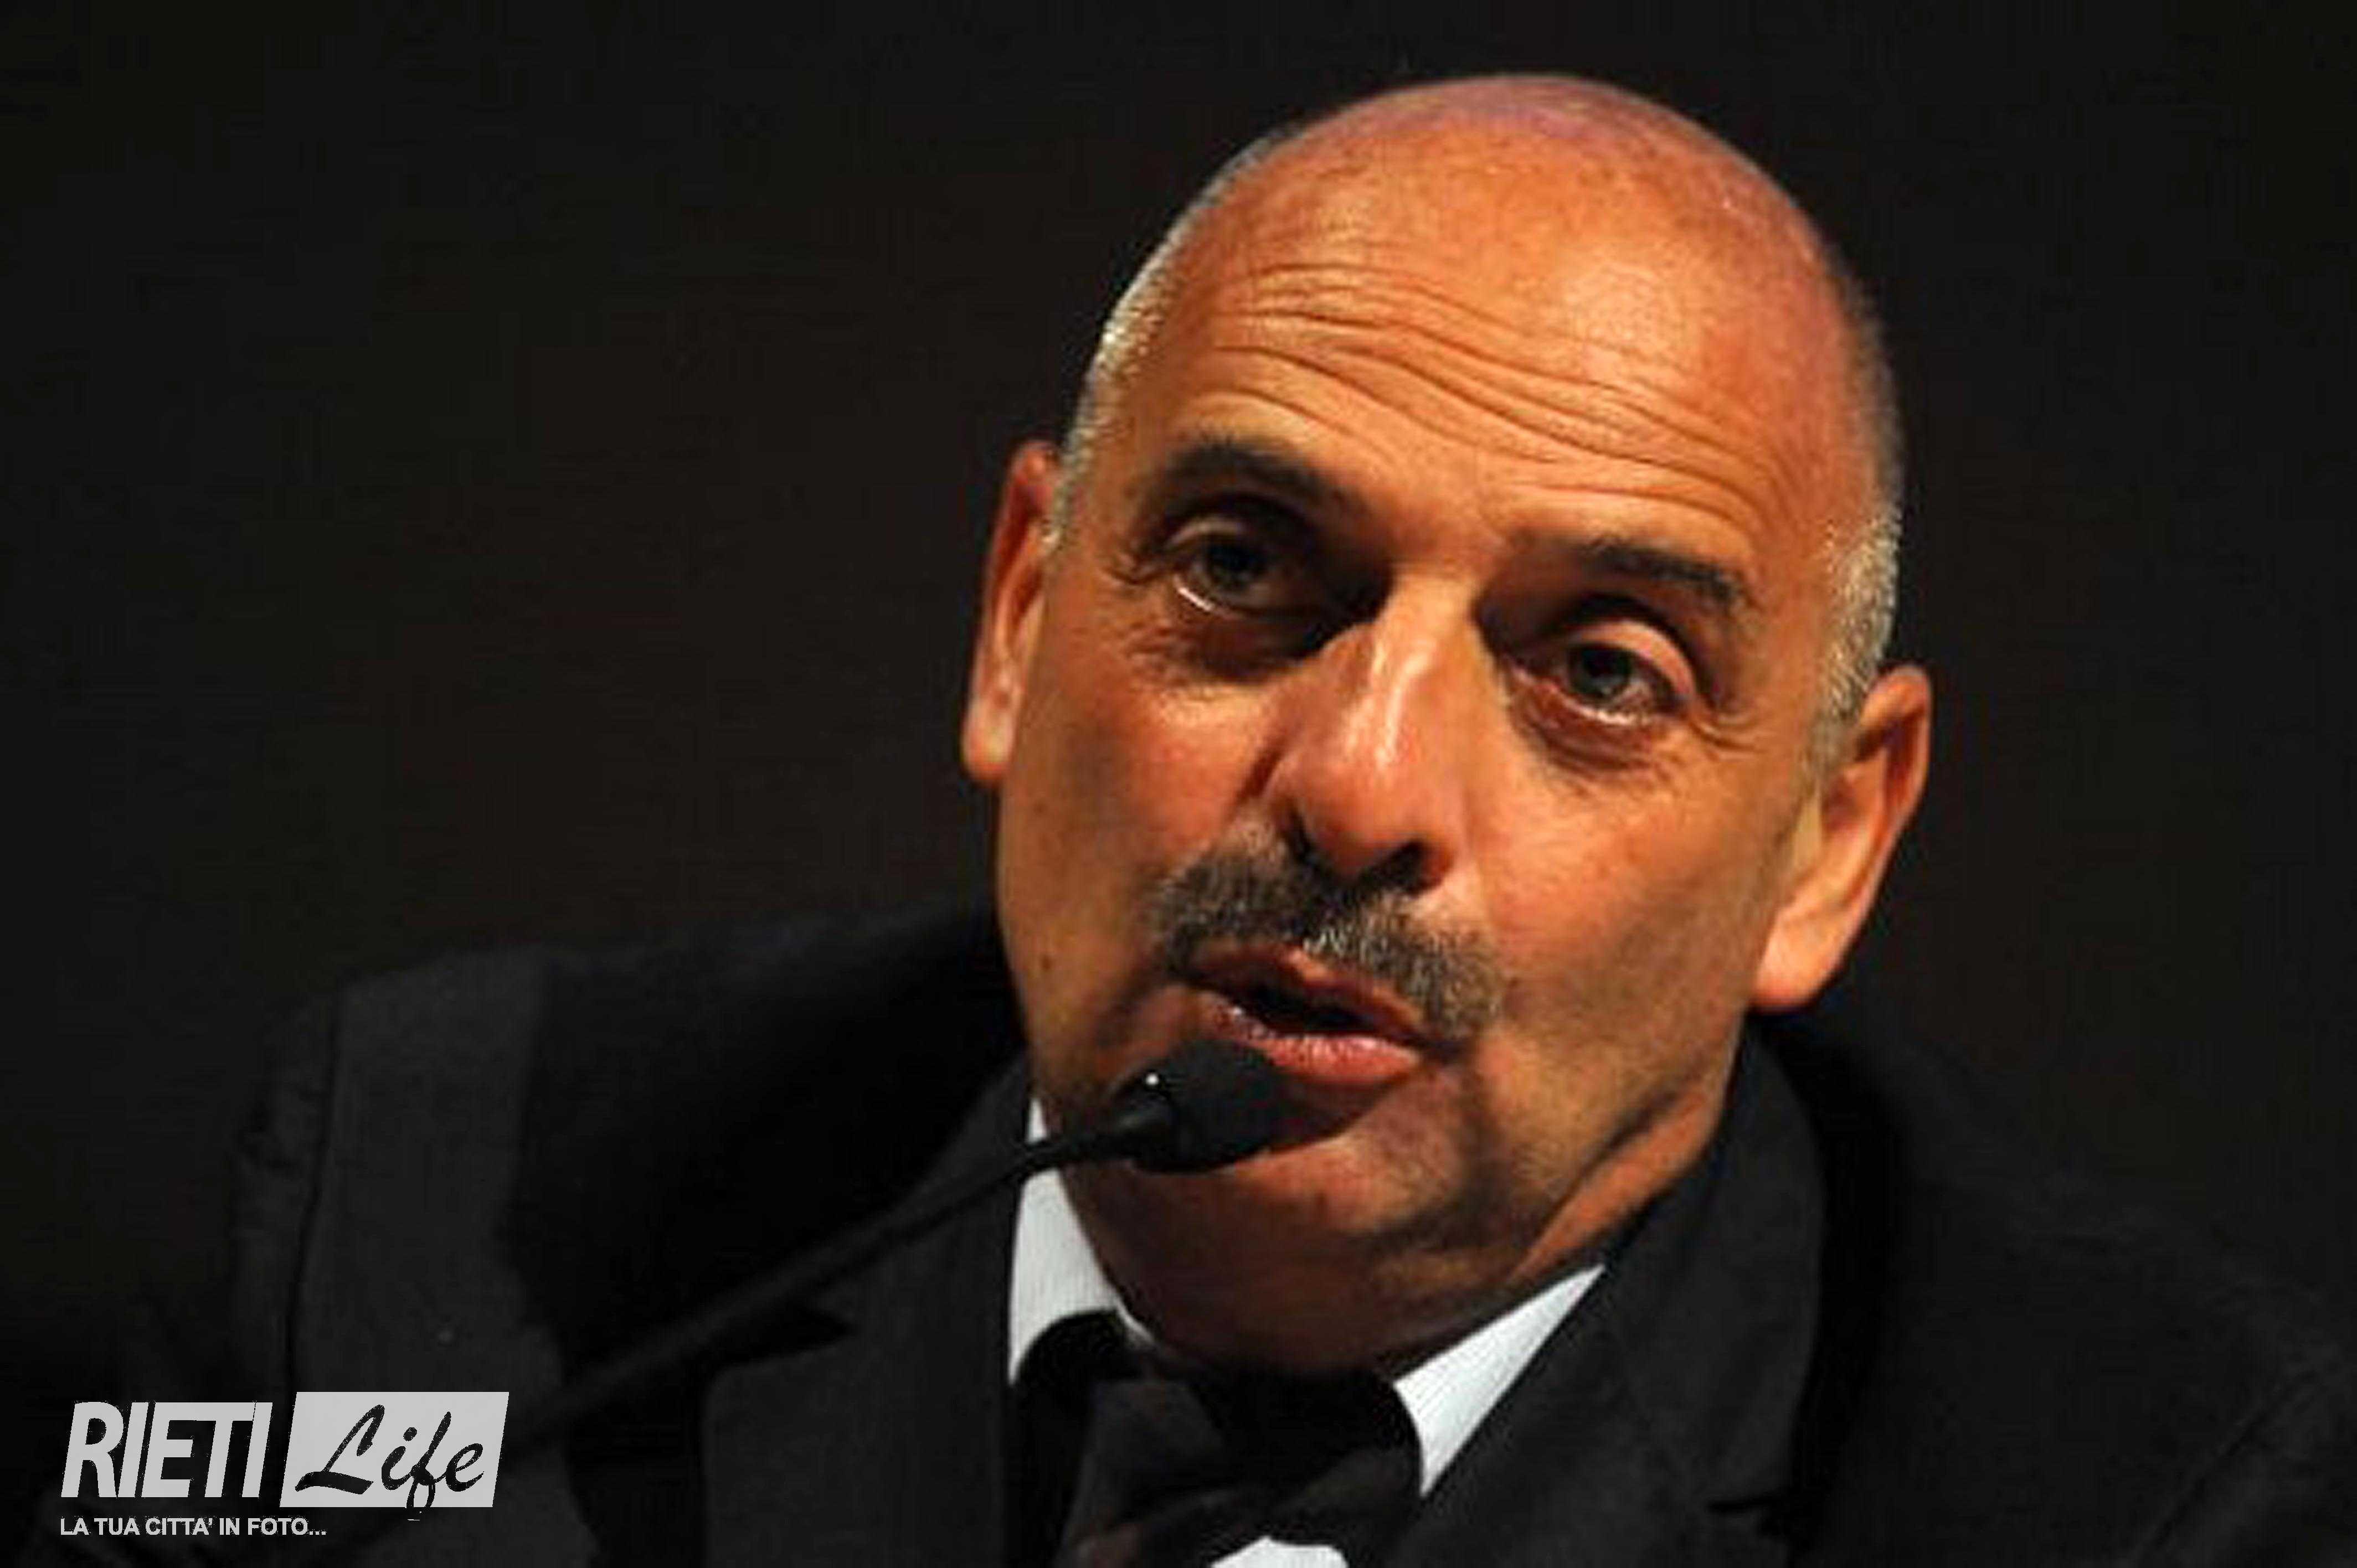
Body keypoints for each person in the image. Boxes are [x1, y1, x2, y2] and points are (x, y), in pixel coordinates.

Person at [34, 74, 2354, 1565]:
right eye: (1246, 571)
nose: (1358, 790)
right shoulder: (449, 1216)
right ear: (1019, 617)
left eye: (1597, 672)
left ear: (1828, 844)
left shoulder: (2160, 1501)